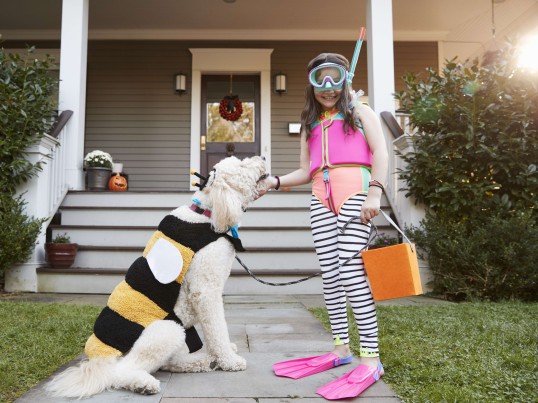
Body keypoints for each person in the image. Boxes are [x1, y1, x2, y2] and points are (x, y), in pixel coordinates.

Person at [267, 53, 388, 400]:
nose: (329, 88)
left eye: (336, 79)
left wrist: (374, 194)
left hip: (356, 195)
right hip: (320, 198)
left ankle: (371, 358)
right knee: (331, 275)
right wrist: (272, 182)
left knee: (351, 273)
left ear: (345, 79)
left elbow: (380, 152)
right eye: (322, 80)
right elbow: (305, 170)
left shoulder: (360, 111)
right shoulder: (310, 122)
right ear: (312, 82)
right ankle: (340, 349)